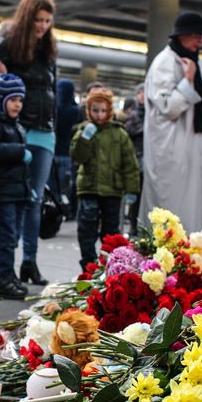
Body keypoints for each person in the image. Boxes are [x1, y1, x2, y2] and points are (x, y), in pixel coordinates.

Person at [0, 0, 57, 286]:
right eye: (38, 19)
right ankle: (7, 266)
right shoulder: (8, 44)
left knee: (35, 199)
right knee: (17, 198)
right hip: (21, 130)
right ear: (28, 17)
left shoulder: (48, 48)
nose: (42, 26)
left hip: (46, 131)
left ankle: (29, 261)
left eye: (48, 20)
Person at [140, 12, 202, 233]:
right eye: (196, 35)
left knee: (200, 204)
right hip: (173, 151)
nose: (200, 41)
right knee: (175, 206)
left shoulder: (200, 65)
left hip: (198, 145)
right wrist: (187, 80)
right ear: (181, 36)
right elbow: (167, 107)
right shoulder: (164, 63)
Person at [71, 87, 140, 269]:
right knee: (86, 228)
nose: (100, 115)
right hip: (89, 187)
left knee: (111, 231)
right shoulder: (83, 131)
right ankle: (88, 264)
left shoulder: (119, 133)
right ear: (89, 111)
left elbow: (130, 163)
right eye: (95, 110)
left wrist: (132, 189)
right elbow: (78, 157)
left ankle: (110, 264)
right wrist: (84, 138)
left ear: (109, 110)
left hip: (112, 190)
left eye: (103, 110)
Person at [0, 74, 31, 300]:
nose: (17, 104)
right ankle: (0, 278)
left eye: (20, 100)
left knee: (13, 237)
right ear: (0, 100)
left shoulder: (16, 125)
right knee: (6, 236)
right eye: (13, 100)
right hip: (1, 192)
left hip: (16, 191)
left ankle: (8, 274)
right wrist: (19, 152)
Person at [52, 79, 79, 219]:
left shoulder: (54, 109)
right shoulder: (75, 110)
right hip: (68, 154)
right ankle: (67, 211)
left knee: (52, 187)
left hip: (52, 153)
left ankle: (54, 212)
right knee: (66, 187)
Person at [124, 83, 145, 234]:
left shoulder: (154, 112)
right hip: (138, 157)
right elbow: (130, 131)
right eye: (141, 92)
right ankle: (134, 223)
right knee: (136, 194)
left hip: (148, 158)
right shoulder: (134, 114)